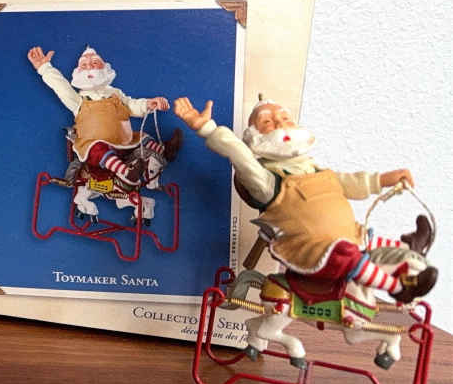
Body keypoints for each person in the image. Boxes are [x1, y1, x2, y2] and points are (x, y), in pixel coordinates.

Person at [174, 96, 436, 311]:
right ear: (254, 137)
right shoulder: (267, 182)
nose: (279, 124)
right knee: (346, 252)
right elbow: (240, 156)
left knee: (363, 237)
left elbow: (349, 183)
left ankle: (407, 246)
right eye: (267, 122)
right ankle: (398, 288)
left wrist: (385, 179)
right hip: (312, 249)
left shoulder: (314, 168)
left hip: (344, 234)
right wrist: (207, 129)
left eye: (285, 118)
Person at [28, 46, 182, 194]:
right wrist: (45, 68)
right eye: (84, 65)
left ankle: (165, 152)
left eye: (95, 63)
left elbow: (132, 105)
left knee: (143, 138)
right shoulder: (79, 101)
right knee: (96, 148)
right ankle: (126, 173)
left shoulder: (116, 95)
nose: (89, 67)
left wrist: (149, 104)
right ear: (78, 72)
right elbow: (61, 87)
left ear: (104, 68)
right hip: (97, 149)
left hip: (124, 143)